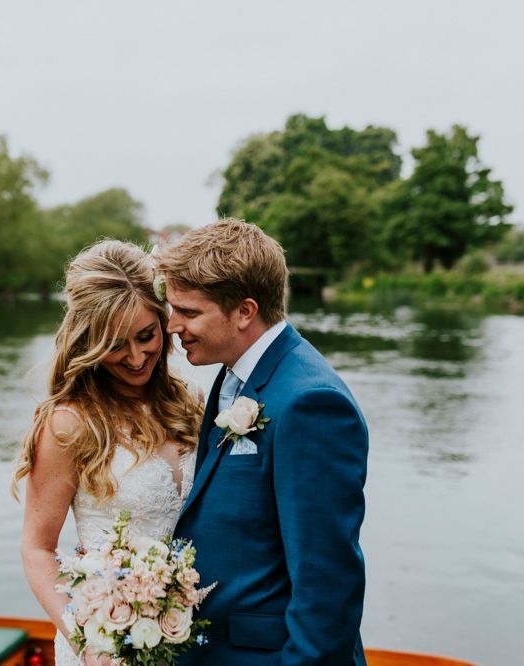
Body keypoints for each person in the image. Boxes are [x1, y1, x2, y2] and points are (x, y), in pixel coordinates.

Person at [157, 219, 368, 665]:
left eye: (189, 312)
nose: (172, 325)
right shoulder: (233, 375)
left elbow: (327, 586)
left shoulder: (312, 404)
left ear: (245, 311)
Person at [12, 240, 202, 666]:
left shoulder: (189, 403)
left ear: (163, 322)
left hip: (188, 637)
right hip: (105, 644)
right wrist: (88, 638)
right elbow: (37, 548)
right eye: (115, 344)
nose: (136, 357)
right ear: (89, 343)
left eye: (145, 336)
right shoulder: (71, 423)